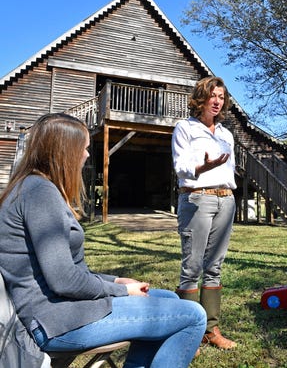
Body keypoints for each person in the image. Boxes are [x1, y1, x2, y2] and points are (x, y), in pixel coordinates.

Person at [0, 113, 206, 368]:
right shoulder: (39, 193)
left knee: (169, 300)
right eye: (84, 148)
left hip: (64, 310)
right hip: (56, 320)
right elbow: (64, 280)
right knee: (193, 315)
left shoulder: (35, 188)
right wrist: (122, 291)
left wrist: (116, 280)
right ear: (64, 151)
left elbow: (69, 271)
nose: (87, 155)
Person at [172, 76, 237, 349]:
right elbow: (181, 166)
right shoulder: (185, 128)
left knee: (215, 267)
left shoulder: (225, 134)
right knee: (192, 268)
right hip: (197, 198)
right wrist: (202, 168)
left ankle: (211, 329)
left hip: (226, 199)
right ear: (201, 98)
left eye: (221, 97)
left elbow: (229, 169)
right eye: (213, 95)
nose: (217, 101)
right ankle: (189, 333)